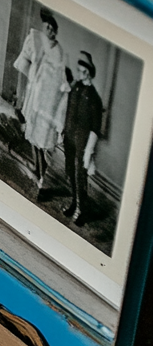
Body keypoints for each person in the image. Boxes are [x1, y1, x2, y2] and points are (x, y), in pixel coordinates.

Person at [13, 9, 67, 191]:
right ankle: (38, 169)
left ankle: (44, 175)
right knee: (32, 138)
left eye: (53, 28)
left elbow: (56, 82)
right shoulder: (38, 42)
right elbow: (26, 64)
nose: (50, 30)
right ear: (44, 27)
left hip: (47, 106)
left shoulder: (58, 52)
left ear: (56, 31)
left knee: (43, 142)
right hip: (34, 100)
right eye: (47, 27)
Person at [59, 51, 105, 224]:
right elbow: (68, 111)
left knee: (80, 175)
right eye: (78, 70)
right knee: (70, 171)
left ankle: (81, 209)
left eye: (81, 71)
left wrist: (88, 150)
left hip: (82, 143)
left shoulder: (94, 98)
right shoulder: (75, 88)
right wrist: (62, 131)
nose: (79, 73)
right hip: (69, 137)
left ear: (88, 72)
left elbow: (95, 127)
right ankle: (74, 203)